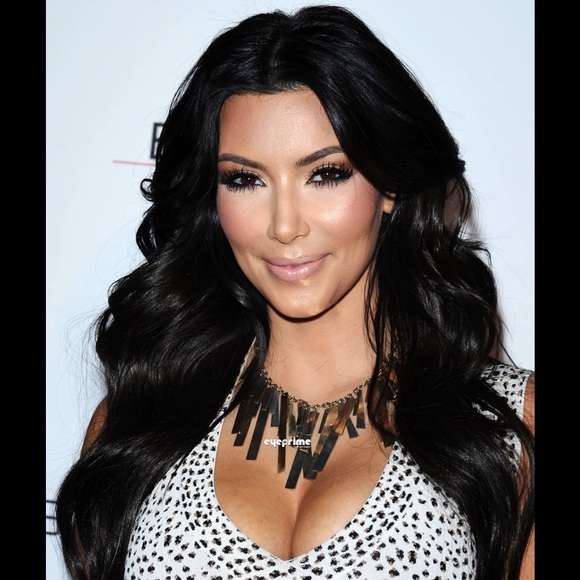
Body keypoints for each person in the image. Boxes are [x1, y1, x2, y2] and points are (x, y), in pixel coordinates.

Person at [55, 4, 535, 579]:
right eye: (245, 179)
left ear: (389, 185)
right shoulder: (141, 423)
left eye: (325, 174)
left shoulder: (505, 427)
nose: (285, 226)